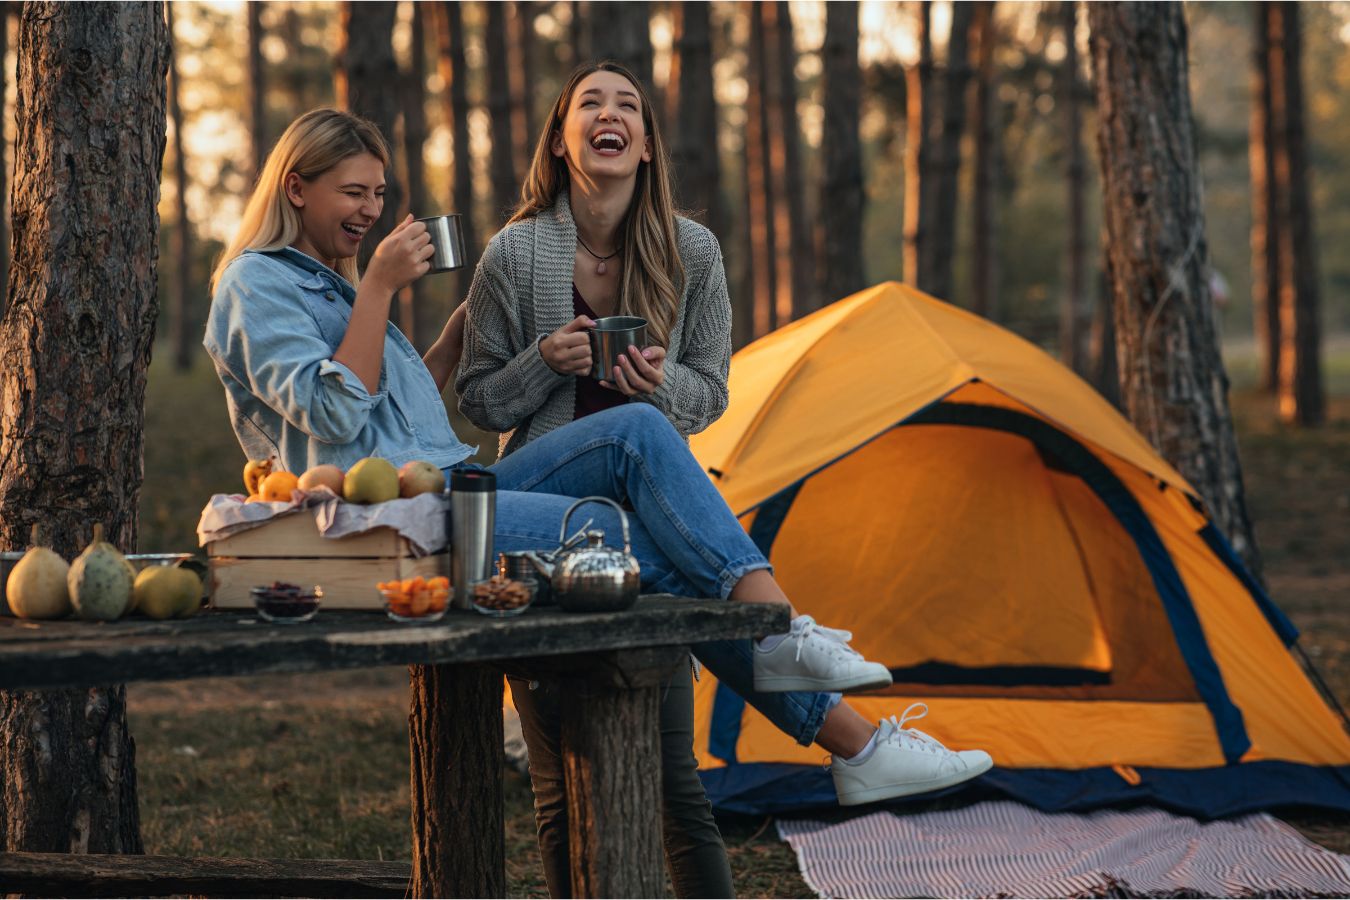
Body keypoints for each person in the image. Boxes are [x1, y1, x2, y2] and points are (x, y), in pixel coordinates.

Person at [204, 107, 991, 898]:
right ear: (296, 187)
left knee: (640, 430)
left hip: (448, 491)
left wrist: (441, 345)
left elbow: (391, 422)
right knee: (641, 546)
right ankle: (839, 722)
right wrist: (379, 284)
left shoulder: (329, 284)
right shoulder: (254, 285)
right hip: (396, 528)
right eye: (355, 192)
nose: (372, 210)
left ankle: (803, 664)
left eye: (378, 193)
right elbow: (335, 416)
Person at [453, 63, 993, 894]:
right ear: (562, 141)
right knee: (560, 789)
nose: (611, 114)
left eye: (628, 105)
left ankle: (855, 740)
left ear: (646, 144)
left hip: (645, 524)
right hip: (540, 497)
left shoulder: (691, 250)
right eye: (590, 103)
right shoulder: (514, 253)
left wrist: (657, 383)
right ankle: (784, 640)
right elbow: (479, 399)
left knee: (675, 786)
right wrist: (540, 364)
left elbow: (708, 396)